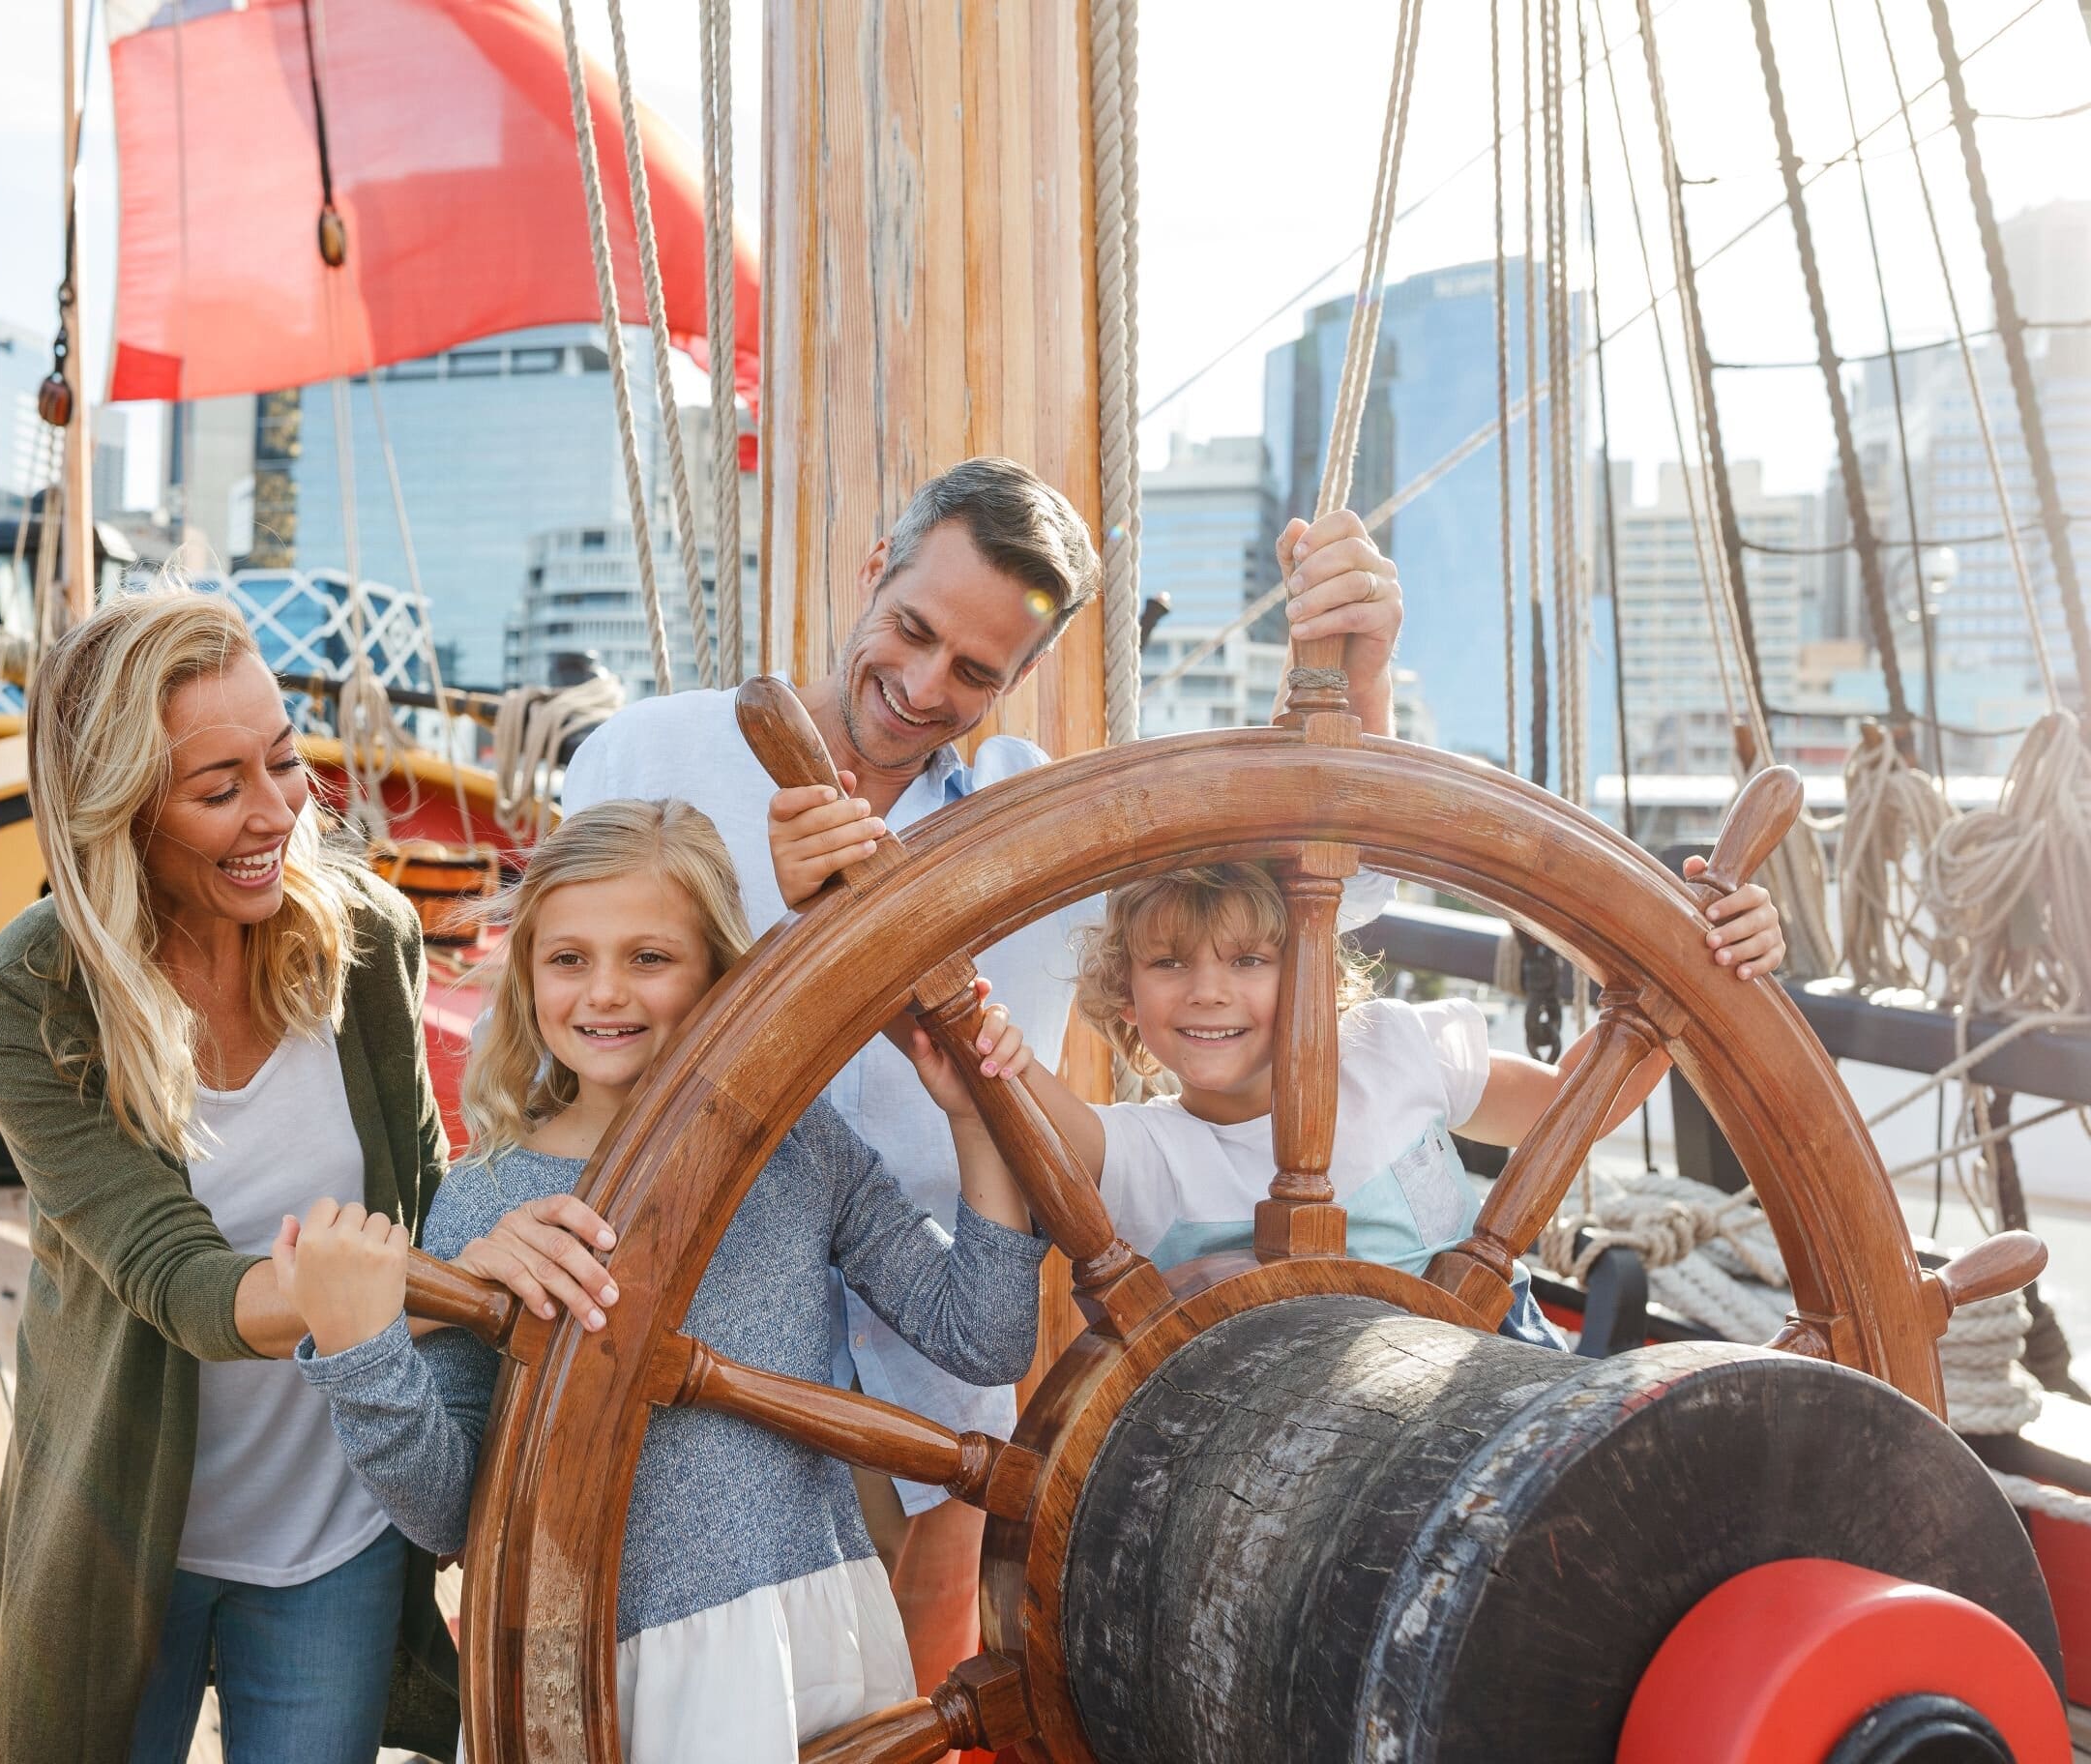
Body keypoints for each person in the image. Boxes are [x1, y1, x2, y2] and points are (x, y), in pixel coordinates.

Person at [560, 455, 1407, 1682]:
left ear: (1021, 678)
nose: (918, 686)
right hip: (697, 1321)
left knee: (916, 1691)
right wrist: (784, 940)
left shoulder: (1046, 832)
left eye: (973, 672)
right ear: (873, 574)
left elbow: (1310, 894)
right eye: (908, 630)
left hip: (943, 1350)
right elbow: (564, 1023)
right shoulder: (645, 758)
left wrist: (1357, 686)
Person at [0, 587, 606, 1763]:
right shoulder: (21, 1003)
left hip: (336, 1527)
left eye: (286, 760)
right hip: (125, 1531)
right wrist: (388, 1279)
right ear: (122, 813)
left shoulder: (369, 937)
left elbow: (421, 1185)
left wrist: (469, 1253)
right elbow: (185, 1286)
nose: (278, 810)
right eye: (219, 789)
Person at [280, 799, 1047, 1760]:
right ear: (526, 980)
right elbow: (447, 1514)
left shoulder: (796, 1149)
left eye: (650, 958)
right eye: (568, 960)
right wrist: (365, 1355)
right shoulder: (488, 1209)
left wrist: (974, 1121)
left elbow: (984, 1338)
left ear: (718, 976)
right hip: (596, 1679)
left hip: (808, 1645)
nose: (605, 993)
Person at [1003, 860, 1783, 1333]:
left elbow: (1568, 1104)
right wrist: (981, 1034)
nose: (1209, 992)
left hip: (1496, 1366)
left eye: (1248, 960)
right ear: (1127, 1001)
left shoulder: (1391, 1049)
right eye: (1170, 964)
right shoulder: (1146, 1151)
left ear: (1311, 972)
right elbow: (1038, 1111)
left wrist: (1706, 956)